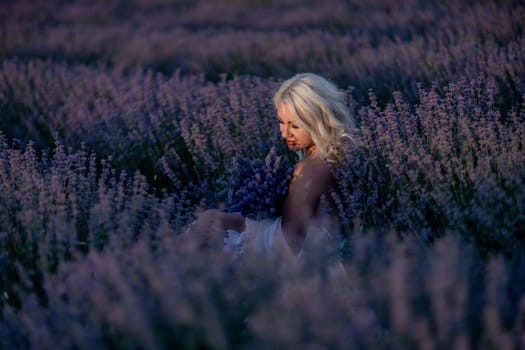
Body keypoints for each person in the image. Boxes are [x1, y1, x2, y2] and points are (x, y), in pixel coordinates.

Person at [187, 73, 357, 270]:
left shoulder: (312, 169)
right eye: (281, 122)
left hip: (294, 258)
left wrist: (249, 225)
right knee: (215, 218)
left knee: (210, 221)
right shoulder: (338, 154)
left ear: (316, 119)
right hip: (319, 250)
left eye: (294, 125)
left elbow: (288, 243)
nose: (285, 133)